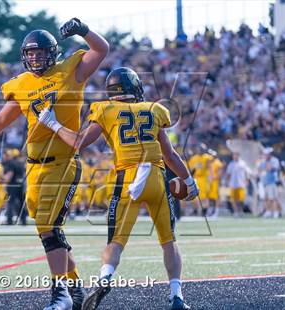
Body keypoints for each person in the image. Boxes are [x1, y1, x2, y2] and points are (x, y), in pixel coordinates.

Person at [0, 18, 109, 310]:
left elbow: (102, 49)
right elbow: (1, 119)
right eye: (30, 53)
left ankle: (60, 295)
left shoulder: (70, 71)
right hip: (34, 165)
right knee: (48, 230)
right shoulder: (22, 83)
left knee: (49, 226)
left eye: (39, 52)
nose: (34, 57)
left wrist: (83, 30)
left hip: (62, 162)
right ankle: (74, 291)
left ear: (53, 52)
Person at [38, 67, 198, 310]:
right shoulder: (154, 109)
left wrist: (52, 123)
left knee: (116, 241)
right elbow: (170, 154)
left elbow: (79, 142)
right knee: (168, 240)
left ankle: (105, 277)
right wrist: (188, 181)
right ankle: (176, 295)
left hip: (128, 179)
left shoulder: (105, 109)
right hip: (156, 176)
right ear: (135, 88)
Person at [258, 148, 281, 218]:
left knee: (273, 198)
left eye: (266, 154)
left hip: (272, 182)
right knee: (266, 198)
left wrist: (266, 165)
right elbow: (259, 169)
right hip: (265, 182)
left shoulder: (274, 160)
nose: (265, 155)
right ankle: (268, 211)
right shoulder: (263, 161)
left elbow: (270, 169)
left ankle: (276, 212)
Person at [225, 152, 249, 217]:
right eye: (234, 155)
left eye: (236, 155)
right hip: (232, 184)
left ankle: (240, 211)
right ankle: (236, 211)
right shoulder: (231, 164)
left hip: (241, 184)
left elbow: (246, 173)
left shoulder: (243, 163)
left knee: (241, 199)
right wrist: (227, 182)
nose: (235, 156)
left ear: (238, 156)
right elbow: (228, 174)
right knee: (233, 199)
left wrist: (247, 180)